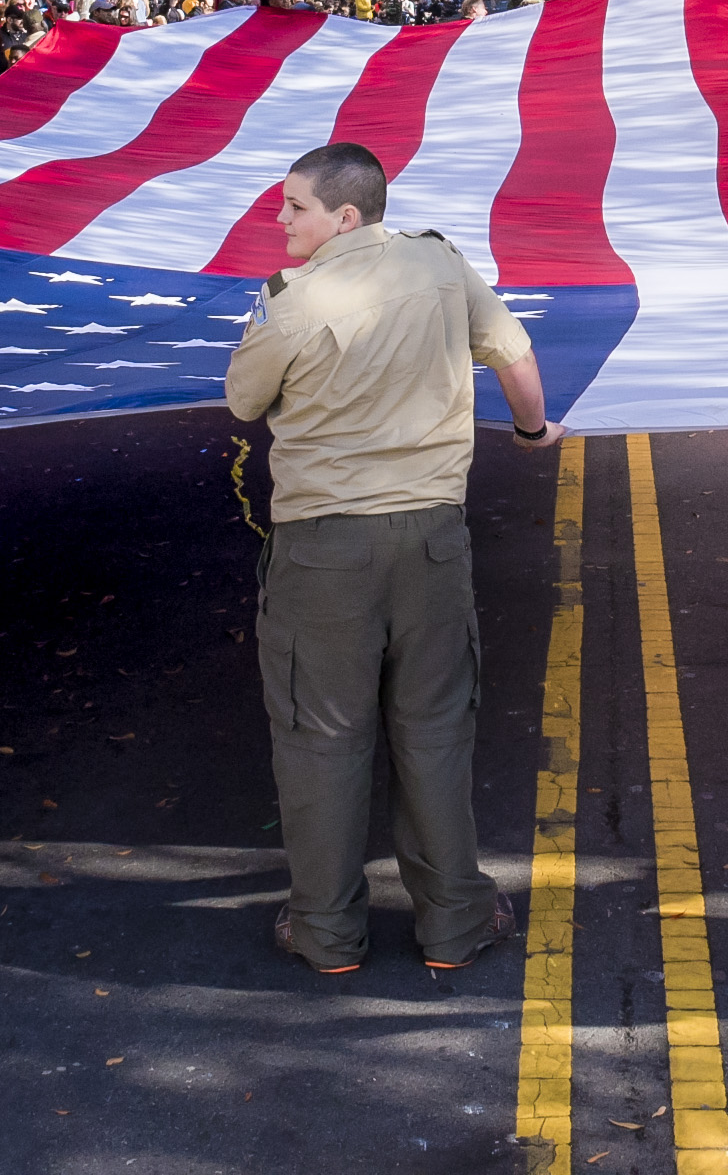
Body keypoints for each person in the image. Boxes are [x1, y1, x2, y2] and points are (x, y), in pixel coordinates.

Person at [226, 142, 565, 975]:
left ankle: (327, 934)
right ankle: (454, 923)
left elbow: (243, 399)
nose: (279, 219)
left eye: (295, 207)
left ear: (346, 216)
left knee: (321, 740)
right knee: (437, 731)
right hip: (431, 542)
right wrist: (530, 433)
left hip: (325, 552)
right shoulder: (443, 266)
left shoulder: (292, 302)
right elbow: (515, 358)